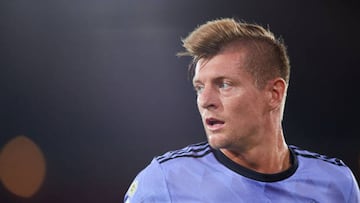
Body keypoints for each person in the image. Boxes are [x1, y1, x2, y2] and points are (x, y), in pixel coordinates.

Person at [124, 18, 360, 202]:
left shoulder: (336, 184)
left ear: (274, 93)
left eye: (224, 84)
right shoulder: (163, 182)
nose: (205, 100)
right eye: (199, 87)